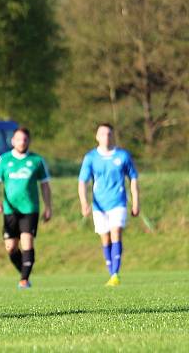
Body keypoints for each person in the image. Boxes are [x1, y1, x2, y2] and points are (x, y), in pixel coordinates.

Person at [0, 127, 52, 289]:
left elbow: (45, 185)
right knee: (11, 247)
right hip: (10, 210)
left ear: (28, 141)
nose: (22, 142)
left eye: (25, 139)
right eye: (18, 139)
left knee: (27, 242)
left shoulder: (37, 160)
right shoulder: (4, 160)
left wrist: (48, 207)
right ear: (13, 141)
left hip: (30, 209)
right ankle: (24, 272)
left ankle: (24, 280)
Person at [78, 123, 139, 287]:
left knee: (116, 232)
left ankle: (115, 274)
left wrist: (136, 202)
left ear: (113, 136)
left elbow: (133, 178)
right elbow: (82, 181)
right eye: (102, 134)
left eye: (109, 134)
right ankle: (111, 271)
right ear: (97, 137)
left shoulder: (123, 155)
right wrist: (84, 202)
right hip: (99, 205)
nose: (106, 137)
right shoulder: (91, 157)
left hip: (118, 201)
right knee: (105, 237)